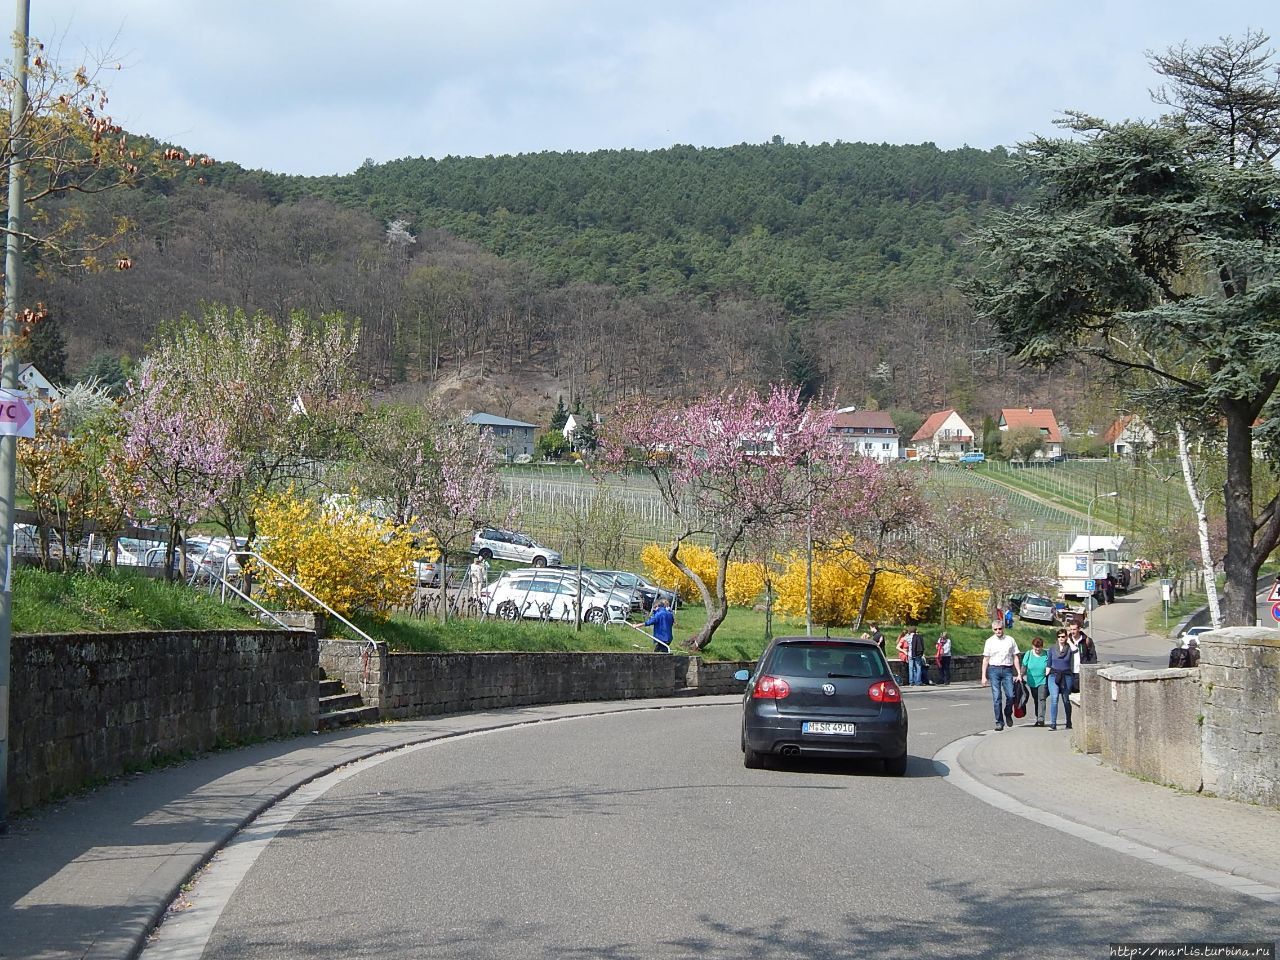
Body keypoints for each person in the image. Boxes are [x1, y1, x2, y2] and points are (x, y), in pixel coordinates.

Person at [980, 620, 1024, 730]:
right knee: (997, 698)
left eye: (1000, 629)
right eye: (995, 629)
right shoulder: (989, 641)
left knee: (1011, 695)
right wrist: (983, 676)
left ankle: (1008, 712)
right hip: (993, 670)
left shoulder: (1010, 640)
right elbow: (986, 659)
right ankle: (999, 722)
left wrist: (1019, 673)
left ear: (1003, 628)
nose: (998, 631)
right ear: (992, 630)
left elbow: (1015, 657)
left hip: (1007, 670)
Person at [1047, 629, 1075, 730]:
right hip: (1054, 675)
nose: (1061, 639)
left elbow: (1075, 650)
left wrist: (1070, 641)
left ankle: (1069, 721)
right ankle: (1053, 723)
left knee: (1066, 700)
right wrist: (1046, 675)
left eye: (1063, 637)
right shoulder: (1052, 648)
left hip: (1066, 675)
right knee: (1054, 698)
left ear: (1066, 637)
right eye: (1059, 637)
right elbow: (1048, 663)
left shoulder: (1069, 648)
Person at [1022, 636, 1050, 727]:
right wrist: (1020, 675)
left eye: (1039, 647)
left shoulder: (1046, 654)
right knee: (1036, 699)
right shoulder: (1029, 654)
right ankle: (1038, 717)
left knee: (1041, 698)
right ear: (1032, 646)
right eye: (1035, 646)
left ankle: (1041, 718)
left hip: (1043, 680)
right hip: (1032, 681)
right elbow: (1024, 666)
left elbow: (1050, 665)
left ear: (1042, 646)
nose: (1037, 649)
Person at [1066, 618, 1097, 691]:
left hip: (1082, 673)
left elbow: (1093, 657)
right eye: (1071, 629)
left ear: (1079, 629)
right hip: (1069, 673)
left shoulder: (1086, 640)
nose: (1072, 632)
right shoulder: (1067, 640)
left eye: (1074, 629)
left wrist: (1091, 671)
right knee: (1068, 696)